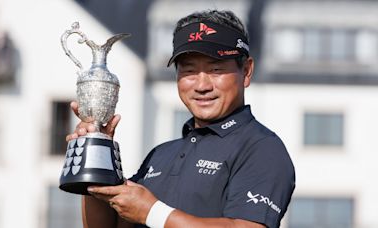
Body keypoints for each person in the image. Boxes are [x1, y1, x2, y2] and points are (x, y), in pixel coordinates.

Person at [66, 9, 295, 228]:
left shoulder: (262, 148)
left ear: (246, 71)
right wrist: (98, 154)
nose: (202, 85)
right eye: (189, 71)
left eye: (216, 70)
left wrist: (152, 212)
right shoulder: (161, 154)